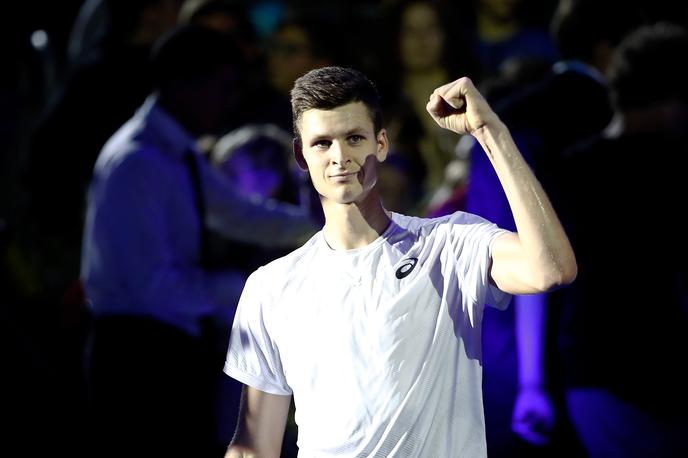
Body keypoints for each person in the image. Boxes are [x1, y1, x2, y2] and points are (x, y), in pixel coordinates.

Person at [223, 65, 577, 457]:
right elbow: (254, 447)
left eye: (354, 138)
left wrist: (490, 133)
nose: (340, 156)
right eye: (322, 143)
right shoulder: (270, 287)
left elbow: (550, 269)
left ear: (381, 144)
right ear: (301, 156)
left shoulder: (449, 244)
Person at [81, 25, 317, 458]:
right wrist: (252, 290)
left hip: (168, 348)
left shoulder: (174, 152)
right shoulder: (137, 162)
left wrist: (320, 230)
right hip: (135, 357)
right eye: (222, 86)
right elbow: (153, 288)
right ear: (183, 84)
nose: (229, 101)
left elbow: (237, 213)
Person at [554, 22, 688, 458]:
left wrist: (535, 382)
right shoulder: (670, 169)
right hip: (640, 383)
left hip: (592, 379)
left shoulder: (570, 169)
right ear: (672, 99)